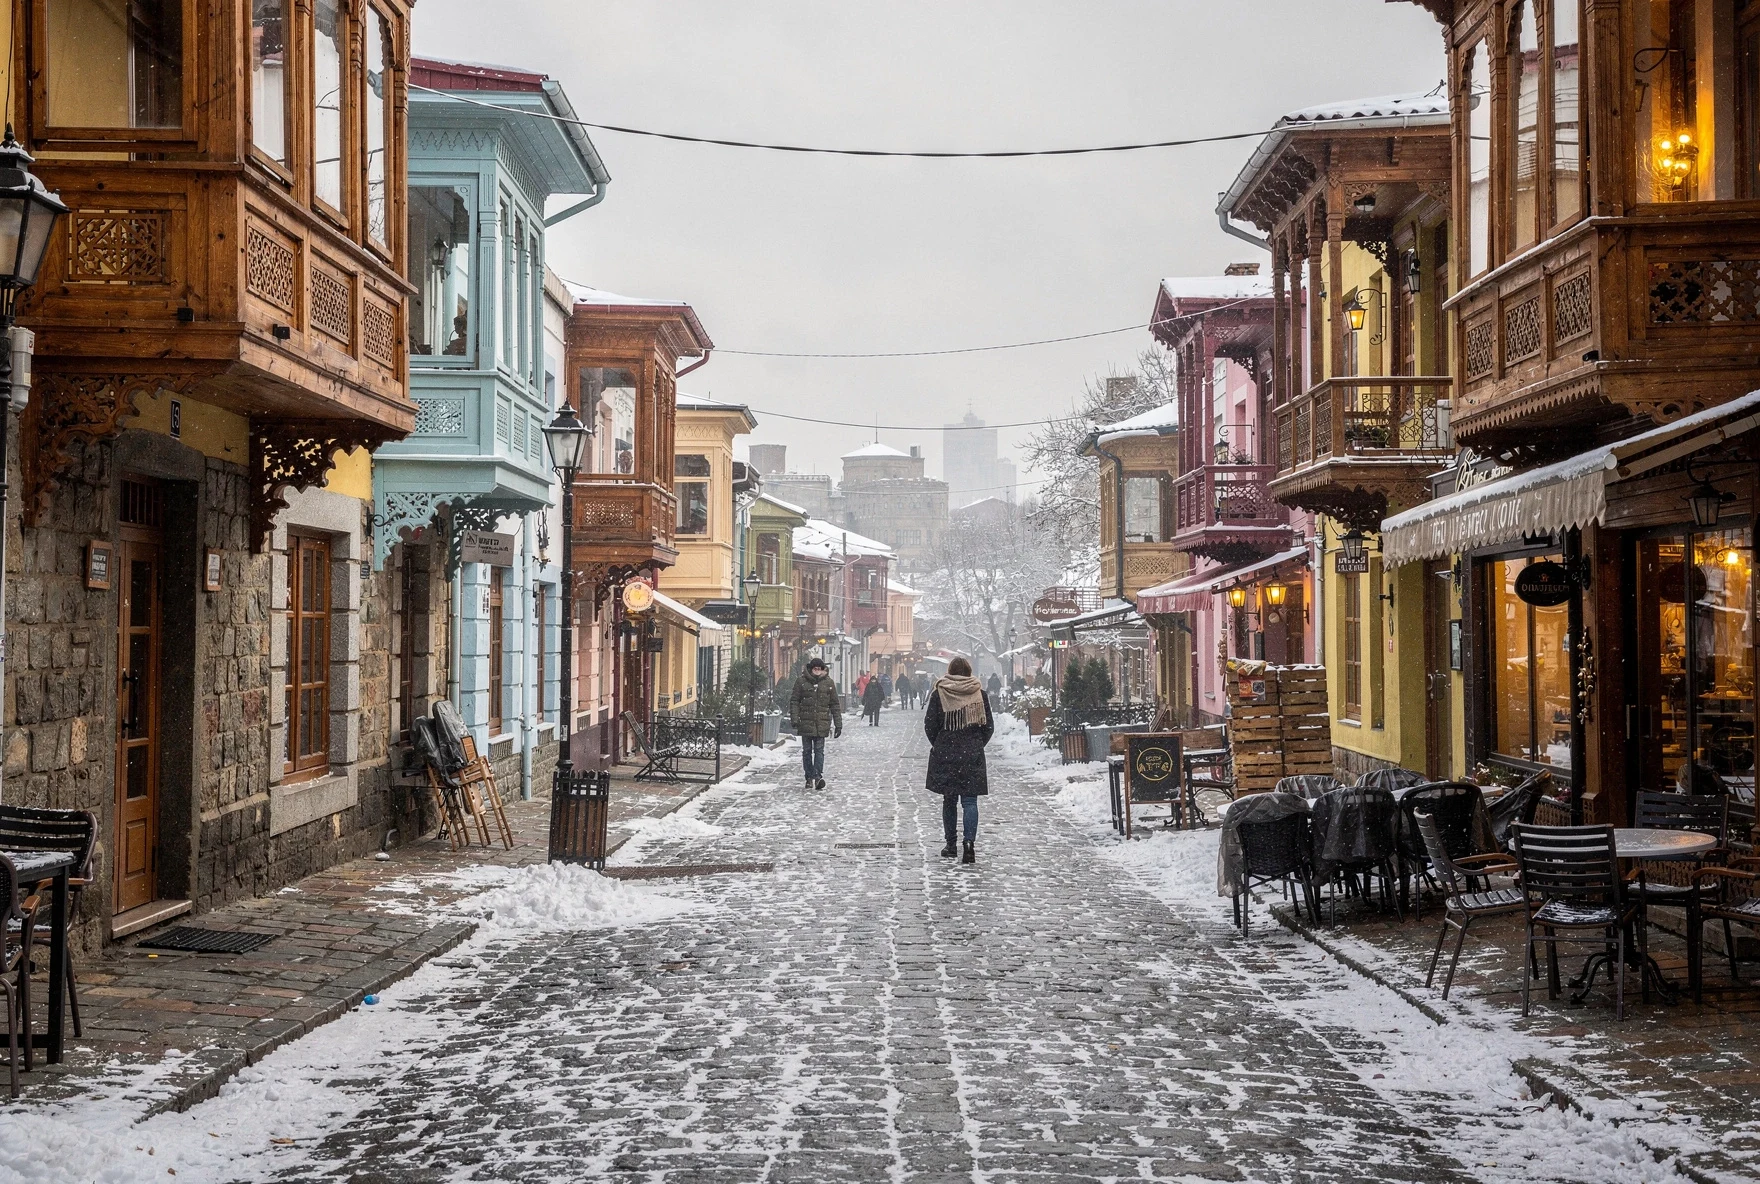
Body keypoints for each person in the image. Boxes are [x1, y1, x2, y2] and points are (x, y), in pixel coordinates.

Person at [924, 657, 994, 865]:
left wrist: (941, 743)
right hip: (971, 752)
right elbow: (988, 726)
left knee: (949, 800)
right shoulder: (978, 694)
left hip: (947, 752)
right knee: (970, 801)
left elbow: (930, 724)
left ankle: (951, 844)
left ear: (950, 671)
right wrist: (976, 743)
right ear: (969, 671)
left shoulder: (940, 693)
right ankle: (969, 843)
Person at [790, 658, 842, 789]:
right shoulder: (801, 682)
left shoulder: (828, 683)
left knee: (819, 751)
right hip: (806, 722)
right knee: (807, 751)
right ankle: (809, 777)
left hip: (822, 723)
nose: (817, 671)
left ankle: (818, 776)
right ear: (811, 669)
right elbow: (795, 701)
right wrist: (795, 719)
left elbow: (834, 704)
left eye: (820, 668)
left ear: (823, 669)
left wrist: (838, 724)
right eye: (815, 668)